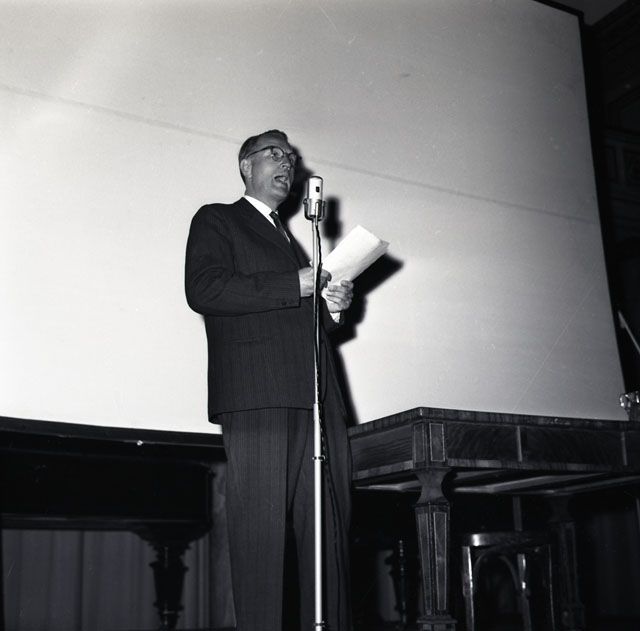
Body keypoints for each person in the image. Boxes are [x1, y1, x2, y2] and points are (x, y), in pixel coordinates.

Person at [185, 129, 354, 631]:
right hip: (258, 395)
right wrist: (294, 283)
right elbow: (204, 289)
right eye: (275, 154)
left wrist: (332, 308)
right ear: (246, 166)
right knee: (261, 538)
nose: (288, 163)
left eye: (292, 157)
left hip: (317, 399)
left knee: (329, 535)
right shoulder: (218, 218)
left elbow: (299, 316)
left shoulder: (294, 240)